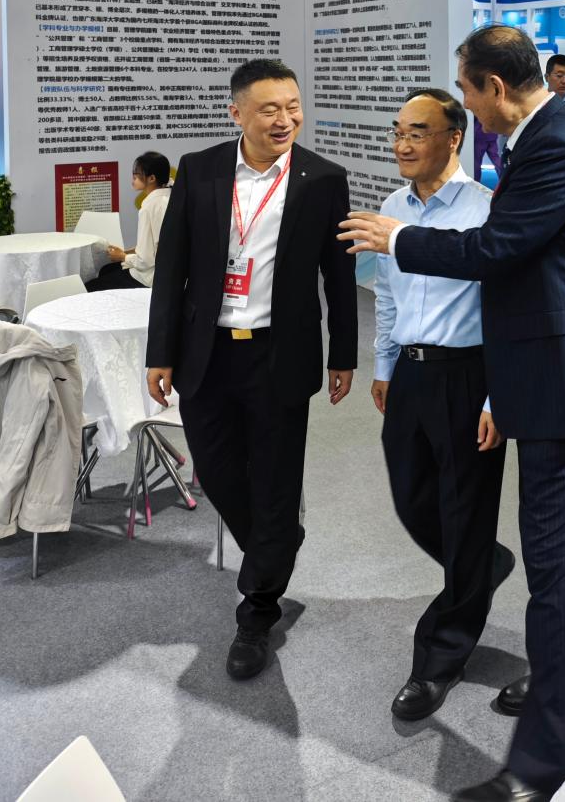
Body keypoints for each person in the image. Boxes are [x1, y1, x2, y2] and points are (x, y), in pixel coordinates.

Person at [340, 25, 565, 802]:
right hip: (562, 377)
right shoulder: (550, 135)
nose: (468, 108)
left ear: (495, 88)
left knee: (557, 576)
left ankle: (539, 770)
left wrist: (399, 238)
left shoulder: (551, 145)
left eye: (467, 93)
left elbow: (492, 250)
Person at [146, 59, 357, 681]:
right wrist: (160, 351)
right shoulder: (201, 169)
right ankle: (277, 541)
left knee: (275, 478)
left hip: (278, 354)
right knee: (216, 471)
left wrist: (343, 353)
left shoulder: (323, 177)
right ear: (236, 112)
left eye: (293, 107)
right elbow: (172, 267)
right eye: (270, 109)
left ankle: (257, 609)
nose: (285, 119)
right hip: (206, 352)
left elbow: (338, 274)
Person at [372, 89, 514, 721]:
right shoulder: (391, 208)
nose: (403, 144)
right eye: (398, 132)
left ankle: (439, 658)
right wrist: (384, 365)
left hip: (468, 376)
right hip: (410, 373)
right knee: (413, 498)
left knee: (465, 511)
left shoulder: (487, 209)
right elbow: (386, 294)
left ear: (454, 137)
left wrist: (496, 397)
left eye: (418, 132)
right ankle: (482, 563)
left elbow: (508, 314)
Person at [86, 151, 172, 291]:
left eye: (136, 176)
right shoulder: (171, 196)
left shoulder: (148, 207)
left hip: (150, 277)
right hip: (172, 272)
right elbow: (156, 243)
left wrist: (123, 256)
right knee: (107, 270)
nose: (133, 180)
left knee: (90, 287)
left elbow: (145, 261)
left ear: (151, 178)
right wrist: (127, 252)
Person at [473, 113, 503, 183]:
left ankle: (475, 183)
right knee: (496, 159)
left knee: (476, 162)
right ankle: (505, 178)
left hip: (479, 136)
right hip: (492, 134)